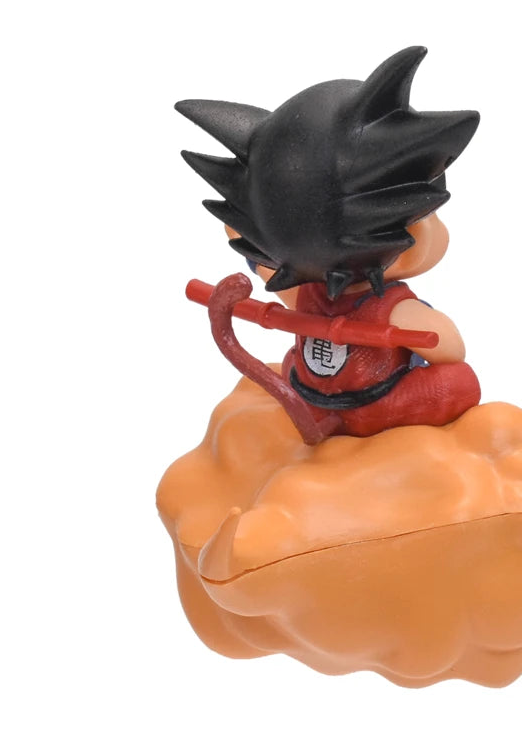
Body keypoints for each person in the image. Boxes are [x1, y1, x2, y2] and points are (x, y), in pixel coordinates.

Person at [178, 46, 481, 438]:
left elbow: (273, 280)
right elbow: (449, 347)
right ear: (410, 240)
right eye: (427, 215)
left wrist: (256, 250)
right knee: (458, 381)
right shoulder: (394, 309)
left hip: (306, 392)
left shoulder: (307, 294)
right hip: (374, 407)